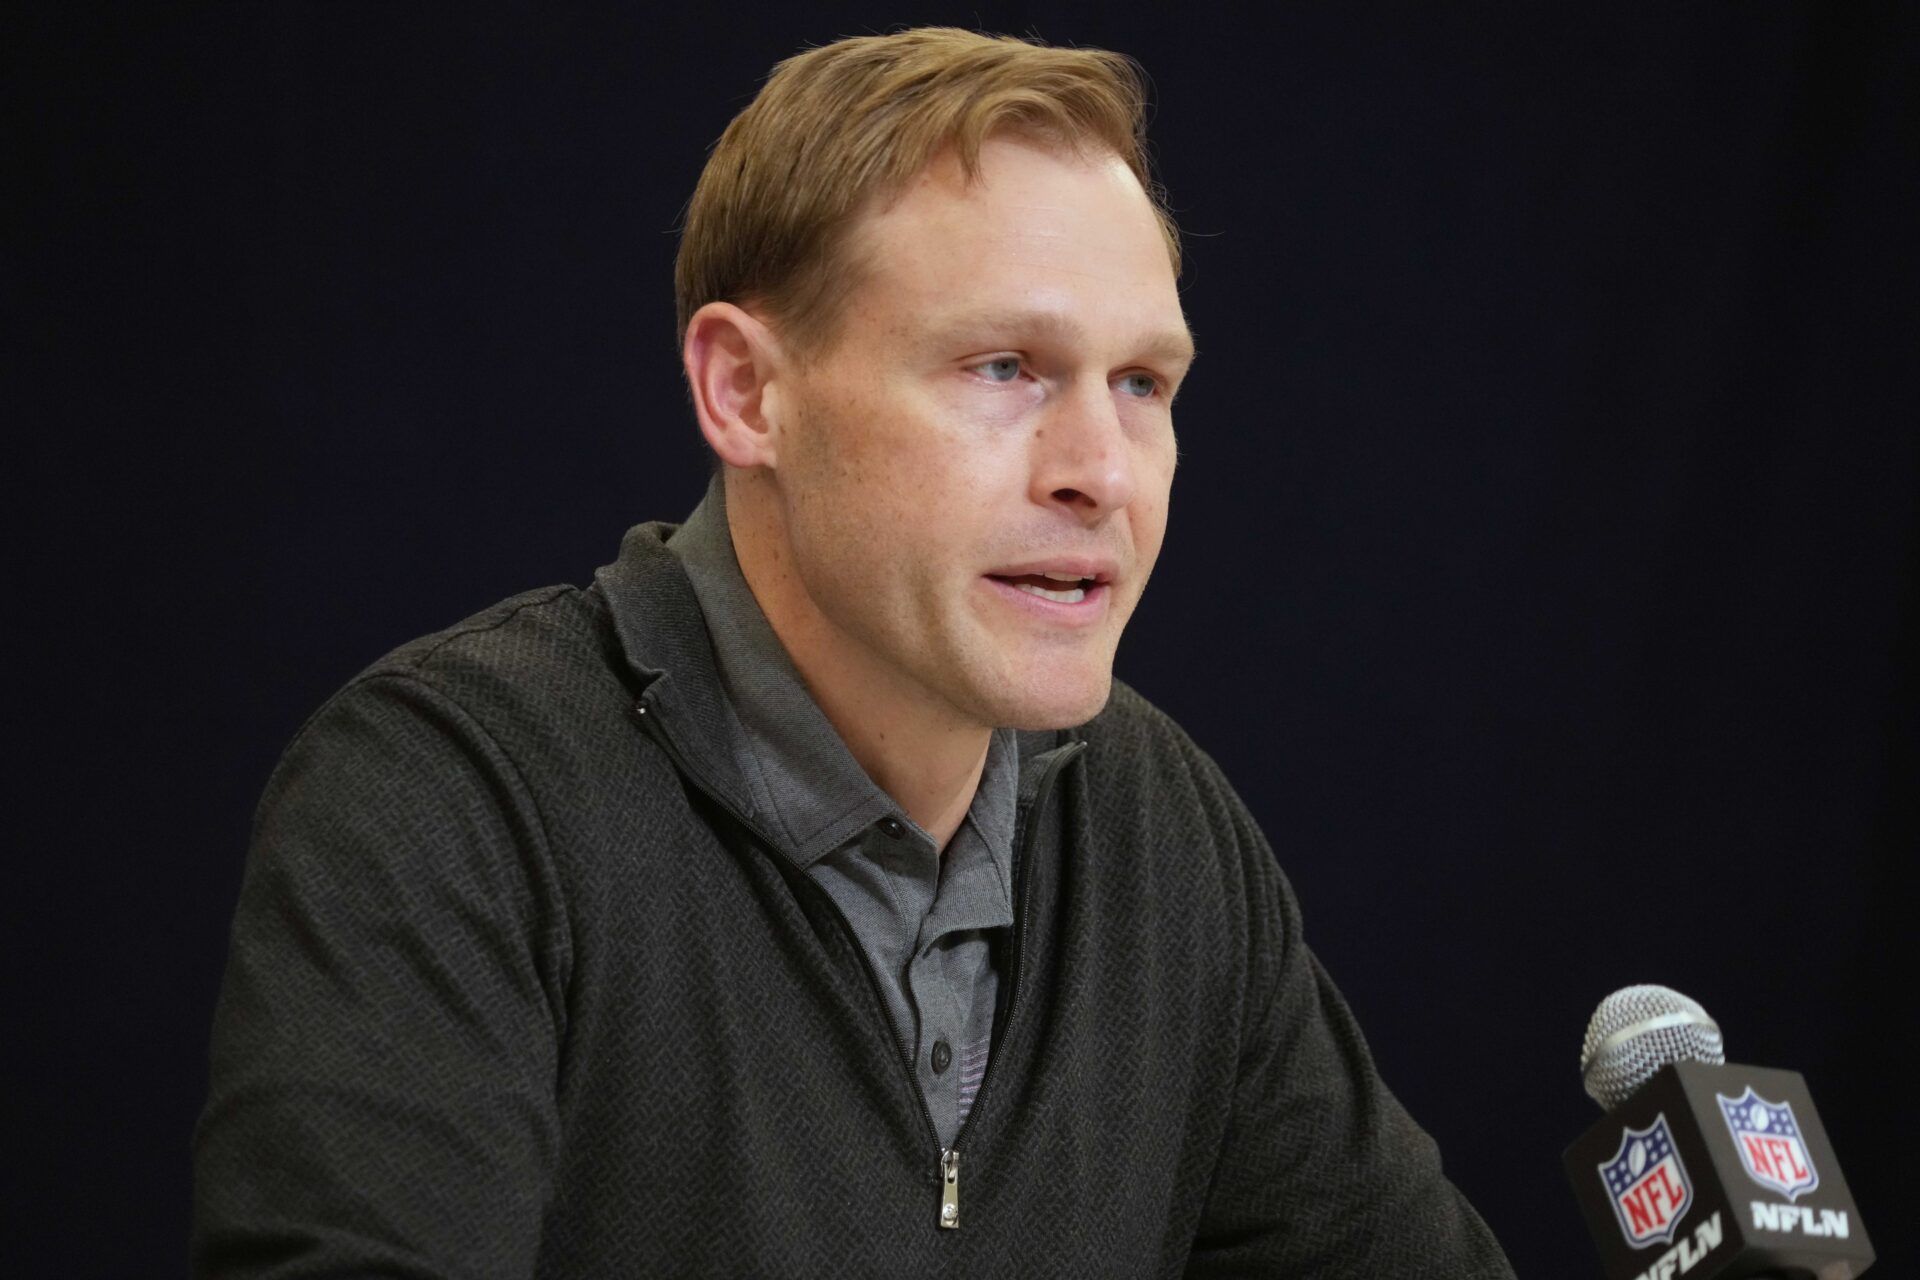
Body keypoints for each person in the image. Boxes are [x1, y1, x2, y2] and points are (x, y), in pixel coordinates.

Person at [193, 27, 1513, 1278]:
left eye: (1142, 385)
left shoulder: (1159, 830)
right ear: (745, 391)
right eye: (1004, 367)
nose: (1104, 473)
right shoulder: (452, 801)